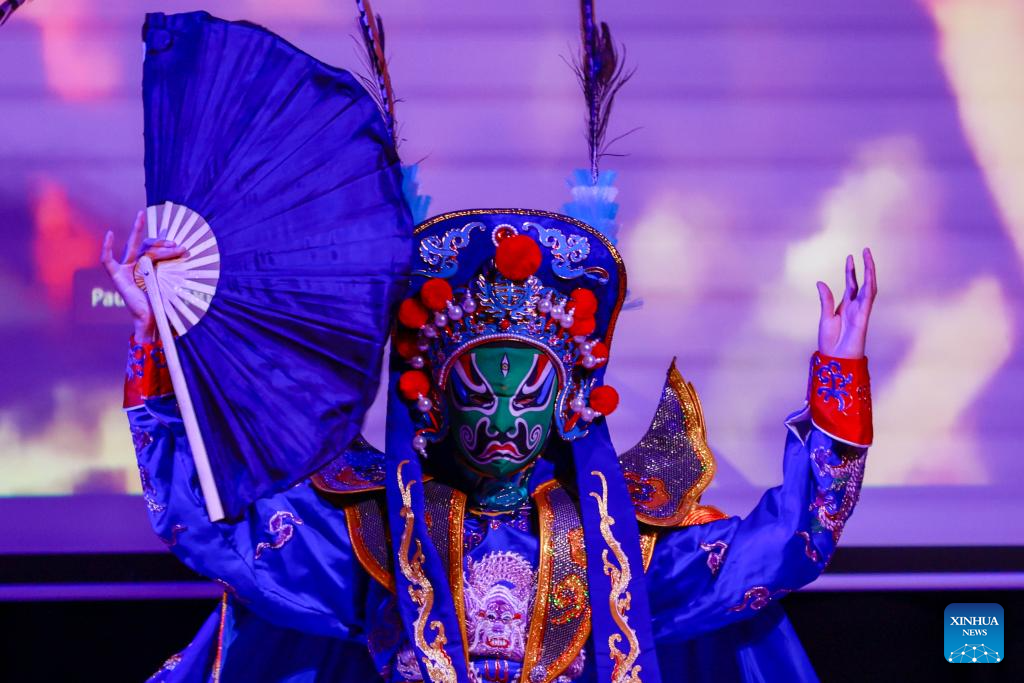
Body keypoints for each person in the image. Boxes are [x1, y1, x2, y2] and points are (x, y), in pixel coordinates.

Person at [103, 194, 877, 682]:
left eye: (528, 396)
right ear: (434, 403)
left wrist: (839, 380)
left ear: (569, 404)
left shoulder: (621, 546)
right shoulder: (377, 536)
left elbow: (788, 546)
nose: (503, 421)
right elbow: (205, 525)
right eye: (478, 393)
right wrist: (151, 348)